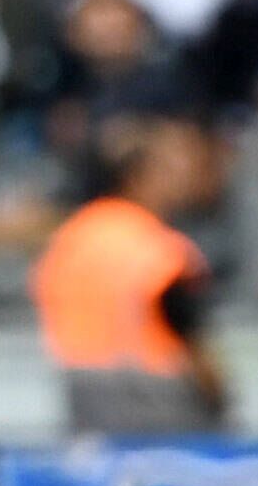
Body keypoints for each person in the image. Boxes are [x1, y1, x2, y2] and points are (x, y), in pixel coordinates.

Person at [32, 114, 226, 434]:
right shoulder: (157, 246)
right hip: (158, 401)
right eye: (169, 167)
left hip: (82, 397)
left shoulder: (71, 237)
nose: (186, 176)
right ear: (138, 176)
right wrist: (220, 399)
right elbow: (189, 334)